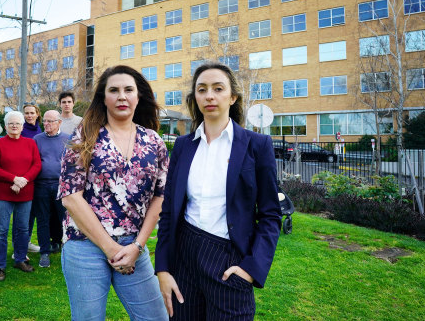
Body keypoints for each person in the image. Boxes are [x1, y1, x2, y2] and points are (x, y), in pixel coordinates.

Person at [155, 63, 282, 320]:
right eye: (201, 90)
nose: (209, 95)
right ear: (195, 98)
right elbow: (168, 211)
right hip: (184, 262)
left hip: (229, 261)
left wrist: (251, 269)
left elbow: (270, 215)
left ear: (232, 97)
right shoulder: (182, 146)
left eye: (218, 88)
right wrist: (164, 269)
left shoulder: (257, 145)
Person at [58, 65, 169, 320]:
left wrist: (137, 247)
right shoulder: (85, 136)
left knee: (156, 317)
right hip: (85, 245)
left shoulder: (154, 141)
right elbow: (70, 197)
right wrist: (110, 248)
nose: (121, 96)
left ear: (138, 96)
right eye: (114, 90)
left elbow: (160, 197)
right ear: (104, 98)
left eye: (128, 89)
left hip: (134, 247)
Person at [0, 111, 41, 281]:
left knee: (22, 229)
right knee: (1, 230)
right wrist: (14, 179)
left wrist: (23, 180)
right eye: (11, 123)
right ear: (5, 126)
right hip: (3, 193)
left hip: (25, 192)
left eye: (17, 123)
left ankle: (20, 259)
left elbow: (37, 164)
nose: (14, 126)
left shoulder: (30, 143)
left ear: (22, 126)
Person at [30, 110, 70, 268]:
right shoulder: (37, 139)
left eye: (50, 121)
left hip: (62, 186)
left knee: (65, 220)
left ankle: (67, 250)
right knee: (43, 219)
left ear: (59, 122)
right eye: (44, 121)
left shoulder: (68, 138)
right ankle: (44, 252)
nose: (46, 124)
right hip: (41, 186)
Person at [20, 103, 42, 253]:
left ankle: (26, 242)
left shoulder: (40, 129)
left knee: (34, 211)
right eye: (26, 113)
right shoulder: (21, 130)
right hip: (25, 176)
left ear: (37, 114)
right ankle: (21, 243)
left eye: (31, 113)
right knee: (24, 213)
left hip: (39, 176)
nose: (29, 115)